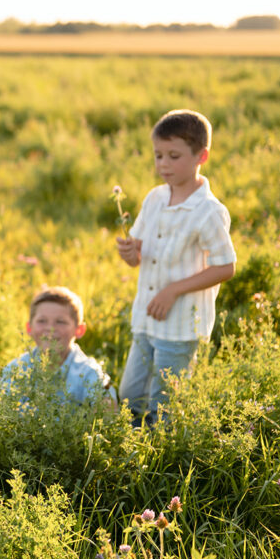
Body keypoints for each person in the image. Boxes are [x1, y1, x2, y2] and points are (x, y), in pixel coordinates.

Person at [116, 109, 236, 426]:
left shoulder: (208, 211)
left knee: (164, 406)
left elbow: (225, 267)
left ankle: (162, 464)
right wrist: (129, 253)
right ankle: (130, 453)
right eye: (158, 155)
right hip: (146, 316)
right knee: (130, 396)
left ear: (202, 156)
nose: (163, 164)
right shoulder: (155, 198)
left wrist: (173, 290)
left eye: (174, 156)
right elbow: (139, 255)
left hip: (179, 325)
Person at [0, 286, 117, 407]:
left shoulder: (90, 373)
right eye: (42, 321)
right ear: (29, 328)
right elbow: (2, 414)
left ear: (79, 330)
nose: (50, 329)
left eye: (60, 322)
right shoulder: (16, 370)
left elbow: (108, 413)